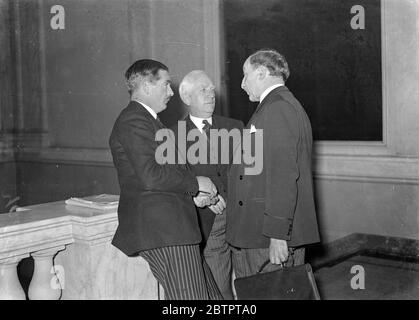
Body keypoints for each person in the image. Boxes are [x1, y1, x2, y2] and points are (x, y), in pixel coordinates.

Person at [109, 59, 222, 300]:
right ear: (147, 86)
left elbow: (159, 177)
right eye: (166, 85)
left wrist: (193, 198)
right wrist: (196, 184)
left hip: (174, 228)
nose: (171, 93)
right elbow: (150, 175)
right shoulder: (134, 120)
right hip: (166, 232)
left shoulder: (147, 120)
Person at [226, 49, 320, 280]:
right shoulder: (276, 105)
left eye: (245, 75)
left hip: (267, 236)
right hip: (259, 233)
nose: (241, 84)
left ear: (261, 73)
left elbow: (283, 175)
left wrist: (278, 235)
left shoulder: (278, 108)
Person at [172, 70, 244, 299]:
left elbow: (247, 172)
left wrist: (227, 195)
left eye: (212, 89)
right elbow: (174, 181)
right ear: (186, 98)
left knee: (252, 283)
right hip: (209, 222)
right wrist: (203, 198)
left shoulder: (235, 126)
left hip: (242, 218)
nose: (211, 94)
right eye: (203, 90)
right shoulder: (172, 136)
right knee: (219, 288)